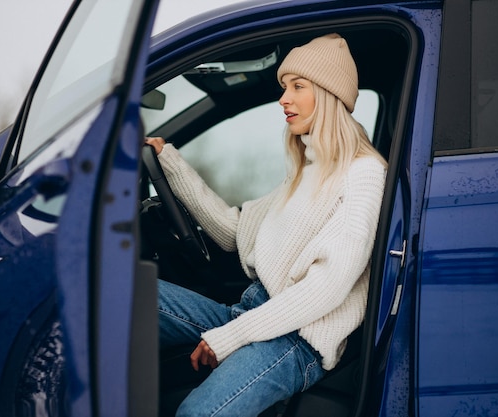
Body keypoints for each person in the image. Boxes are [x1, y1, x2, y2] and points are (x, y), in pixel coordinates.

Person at [145, 33, 387, 417]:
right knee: (120, 291)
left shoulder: (365, 174)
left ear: (328, 95)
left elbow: (325, 289)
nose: (283, 98)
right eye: (283, 87)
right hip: (254, 312)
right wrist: (169, 162)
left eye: (297, 86)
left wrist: (230, 337)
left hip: (297, 339)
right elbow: (231, 232)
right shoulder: (306, 171)